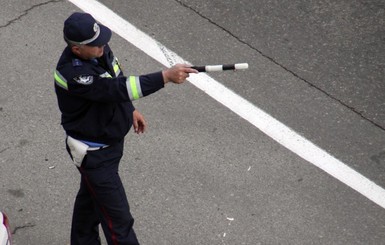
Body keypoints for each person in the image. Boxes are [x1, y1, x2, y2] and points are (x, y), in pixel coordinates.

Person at [54, 12, 198, 245]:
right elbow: (114, 88)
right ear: (77, 50)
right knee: (118, 222)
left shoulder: (99, 49)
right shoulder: (74, 74)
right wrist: (165, 77)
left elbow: (116, 77)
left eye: (101, 38)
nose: (102, 45)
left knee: (91, 202)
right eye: (94, 44)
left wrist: (129, 109)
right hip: (94, 155)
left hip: (108, 146)